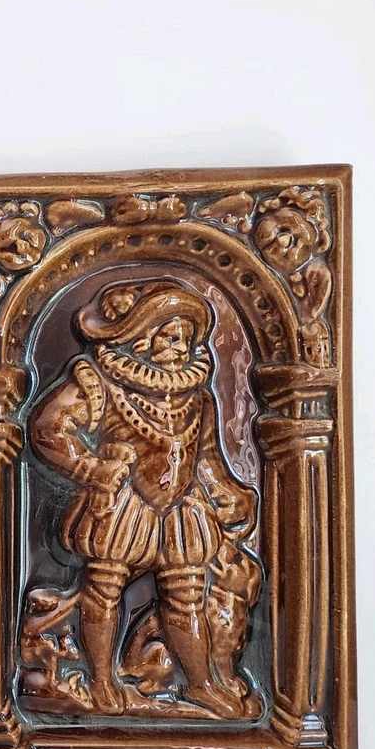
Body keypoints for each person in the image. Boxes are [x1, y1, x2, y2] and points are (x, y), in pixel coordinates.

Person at [27, 279, 259, 718]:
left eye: (186, 338)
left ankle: (201, 684)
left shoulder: (197, 399)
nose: (180, 346)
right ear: (141, 335)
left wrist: (227, 492)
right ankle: (101, 679)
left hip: (180, 509)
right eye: (169, 335)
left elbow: (207, 458)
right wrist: (90, 468)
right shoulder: (98, 382)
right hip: (122, 505)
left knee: (187, 596)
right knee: (104, 589)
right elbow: (47, 428)